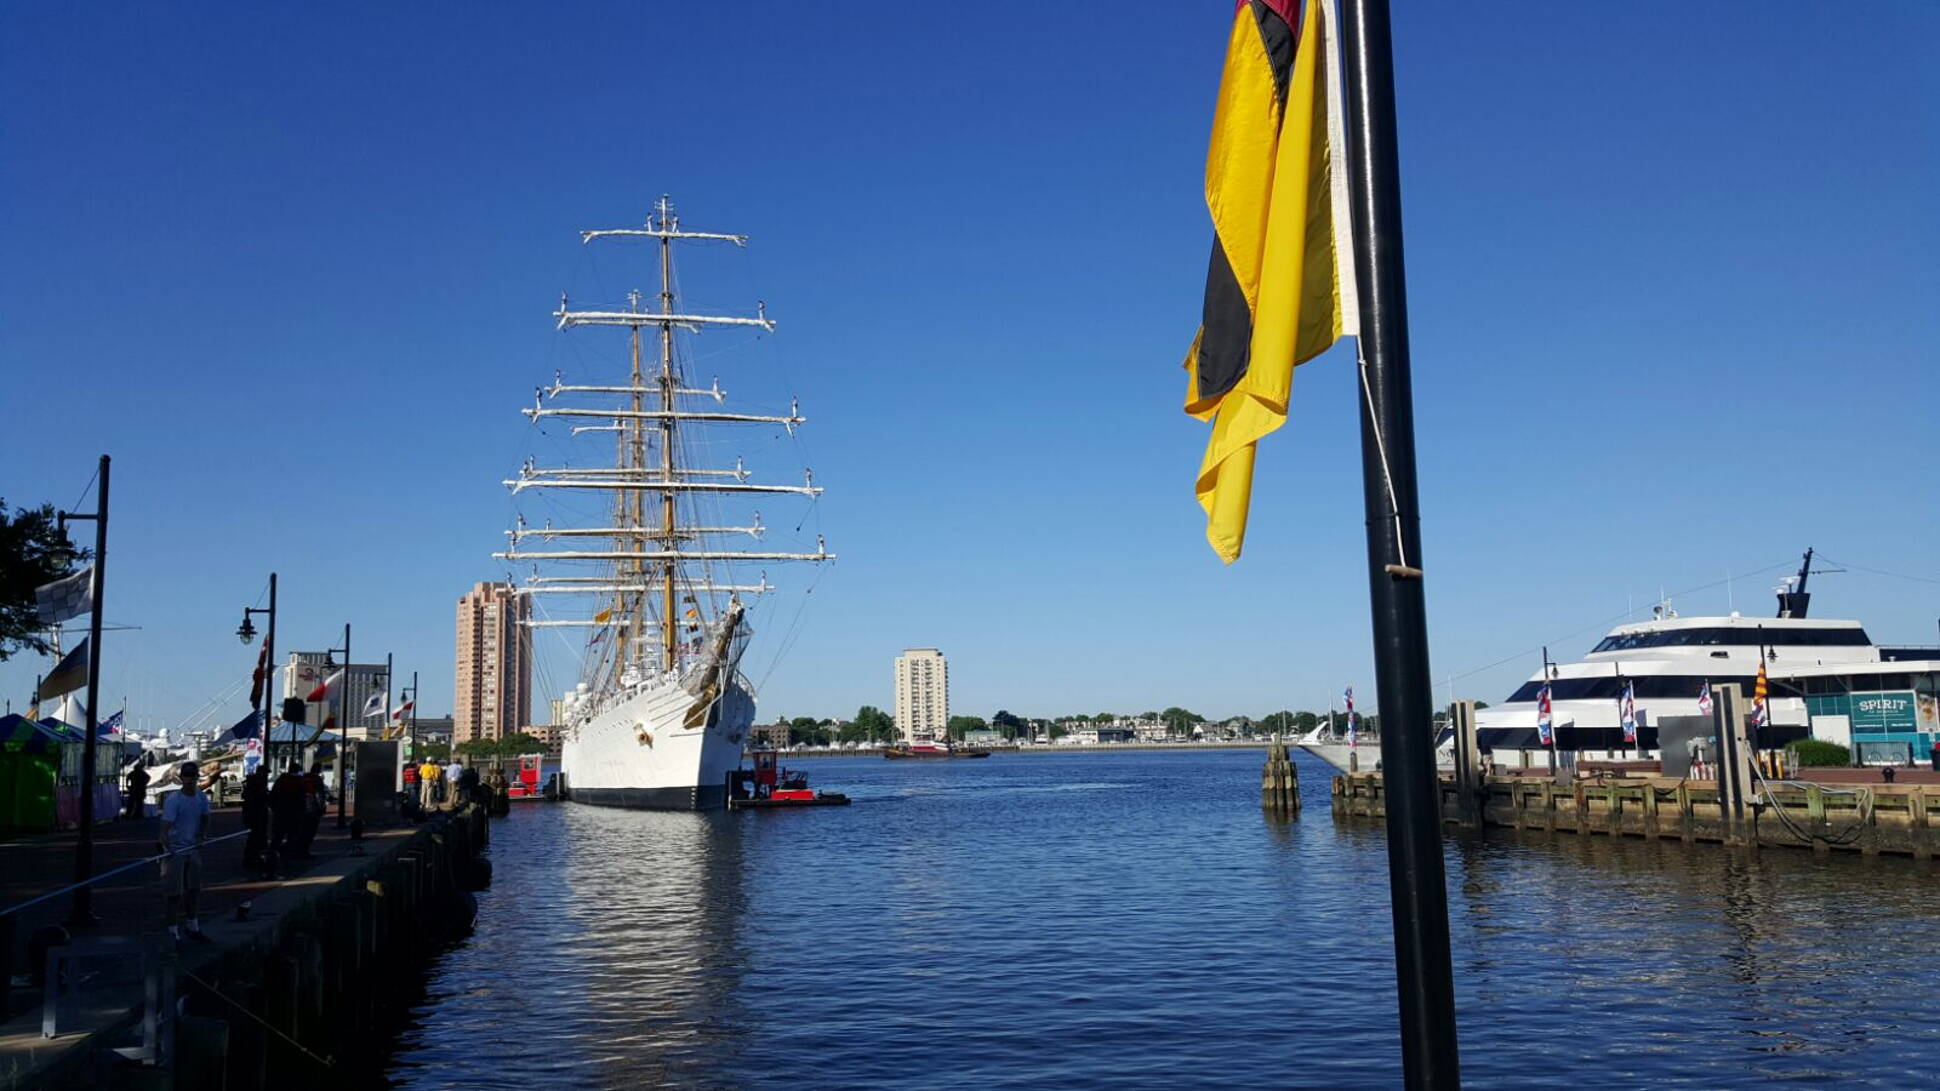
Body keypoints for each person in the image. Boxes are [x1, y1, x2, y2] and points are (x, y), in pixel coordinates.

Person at [159, 761, 213, 945]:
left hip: (192, 849)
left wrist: (201, 835)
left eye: (193, 777)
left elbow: (206, 818)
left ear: (197, 778)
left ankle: (192, 926)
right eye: (187, 777)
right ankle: (172, 931)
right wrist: (167, 847)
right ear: (182, 778)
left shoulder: (201, 799)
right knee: (173, 893)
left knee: (194, 889)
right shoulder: (174, 800)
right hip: (175, 850)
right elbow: (164, 828)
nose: (190, 780)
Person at [270, 763, 307, 858]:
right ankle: (287, 855)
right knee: (292, 836)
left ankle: (272, 855)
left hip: (280, 812)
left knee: (278, 836)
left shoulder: (280, 780)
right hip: (294, 813)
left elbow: (272, 797)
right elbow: (302, 798)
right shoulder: (299, 782)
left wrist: (275, 809)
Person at [241, 767, 270, 869]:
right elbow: (253, 800)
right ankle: (253, 860)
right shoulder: (256, 785)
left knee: (256, 839)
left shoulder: (253, 784)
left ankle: (254, 859)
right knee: (255, 839)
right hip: (256, 815)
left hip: (254, 815)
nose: (266, 777)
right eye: (265, 774)